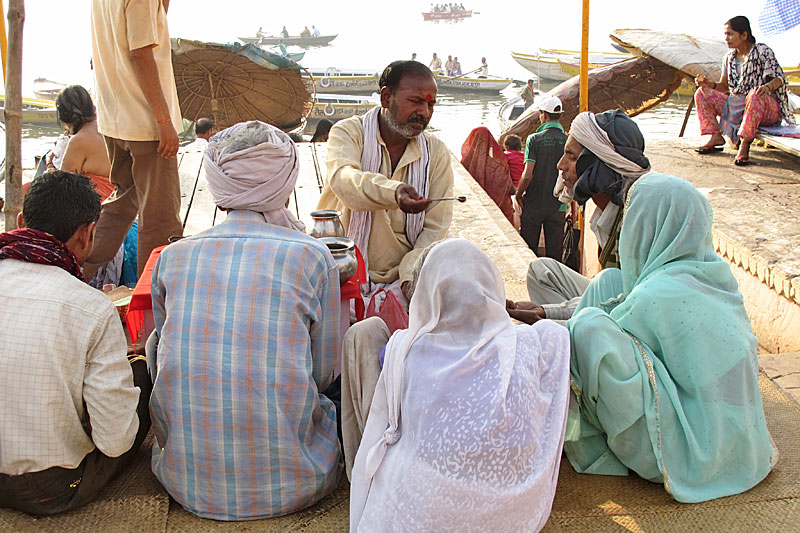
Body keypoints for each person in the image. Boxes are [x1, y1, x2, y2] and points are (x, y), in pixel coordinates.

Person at [148, 121, 341, 521]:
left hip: (187, 481)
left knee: (153, 344)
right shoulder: (312, 256)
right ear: (285, 185)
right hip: (299, 481)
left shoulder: (173, 257)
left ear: (218, 189)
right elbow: (322, 374)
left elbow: (163, 357)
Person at [559, 173, 774, 502]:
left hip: (690, 454)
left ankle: (567, 417)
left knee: (588, 327)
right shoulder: (713, 273)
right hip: (734, 435)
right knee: (609, 282)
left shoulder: (658, 295)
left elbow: (605, 330)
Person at [348, 239, 571, 530]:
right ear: (489, 288)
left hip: (424, 513)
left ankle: (356, 469)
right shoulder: (533, 344)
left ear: (426, 293)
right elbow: (559, 338)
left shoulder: (405, 349)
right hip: (513, 513)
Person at [0, 170, 150, 515]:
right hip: (47, 489)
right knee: (143, 374)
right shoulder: (90, 306)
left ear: (23, 221)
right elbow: (116, 441)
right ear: (87, 233)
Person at [318, 60, 454, 308]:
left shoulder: (436, 152)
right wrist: (395, 194)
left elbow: (435, 229)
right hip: (341, 272)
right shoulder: (348, 133)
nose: (424, 112)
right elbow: (345, 180)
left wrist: (410, 279)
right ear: (386, 97)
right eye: (415, 101)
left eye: (430, 104)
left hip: (401, 281)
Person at [509, 109, 651, 323]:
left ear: (600, 164)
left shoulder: (635, 223)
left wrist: (552, 321)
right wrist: (545, 311)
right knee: (541, 270)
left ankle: (577, 338)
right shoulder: (606, 213)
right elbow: (608, 296)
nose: (561, 165)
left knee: (609, 279)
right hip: (616, 300)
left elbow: (625, 309)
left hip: (631, 316)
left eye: (572, 157)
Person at [88, 0, 184, 279]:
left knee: (122, 204)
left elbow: (144, 30)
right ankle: (153, 303)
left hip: (114, 118)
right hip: (145, 122)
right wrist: (164, 122)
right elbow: (140, 53)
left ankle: (78, 271)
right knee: (161, 221)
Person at [694, 15, 794, 165]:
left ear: (744, 35)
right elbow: (724, 86)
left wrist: (766, 87)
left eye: (730, 34)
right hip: (739, 106)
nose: (726, 38)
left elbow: (779, 79)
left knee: (754, 94)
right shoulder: (729, 58)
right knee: (702, 93)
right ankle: (714, 136)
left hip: (766, 109)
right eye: (725, 34)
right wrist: (709, 84)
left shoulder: (762, 51)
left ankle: (745, 145)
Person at [516, 95, 567, 260]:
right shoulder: (568, 140)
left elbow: (527, 175)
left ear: (544, 115)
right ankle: (553, 284)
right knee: (555, 255)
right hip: (558, 205)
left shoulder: (534, 139)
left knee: (528, 252)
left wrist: (518, 194)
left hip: (534, 203)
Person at [49, 85, 115, 202]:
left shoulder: (79, 140)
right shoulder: (108, 127)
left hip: (96, 206)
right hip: (119, 200)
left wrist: (50, 166)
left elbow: (62, 186)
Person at [461, 127, 514, 223]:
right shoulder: (499, 166)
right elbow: (510, 188)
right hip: (499, 214)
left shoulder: (465, 163)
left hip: (475, 212)